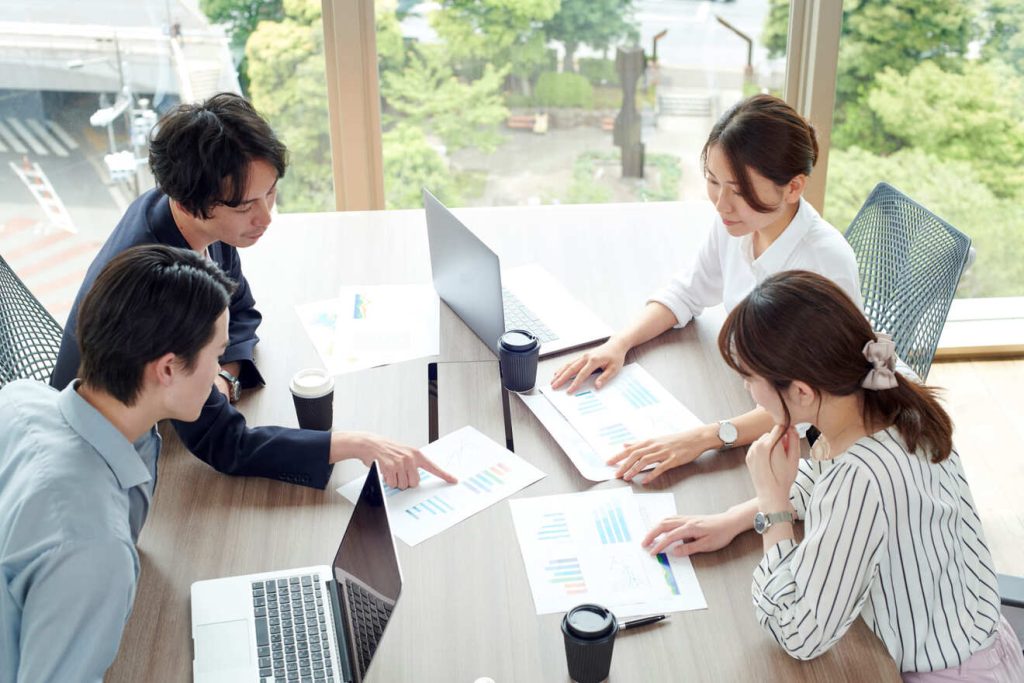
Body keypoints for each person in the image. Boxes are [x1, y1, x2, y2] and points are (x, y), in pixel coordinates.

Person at [51, 92, 453, 491]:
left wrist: (224, 373)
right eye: (246, 207)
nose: (265, 217)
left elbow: (240, 308)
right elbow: (225, 444)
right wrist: (358, 443)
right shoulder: (162, 284)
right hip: (107, 459)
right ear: (191, 203)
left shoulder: (196, 218)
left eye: (271, 193)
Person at [643, 270, 1024, 681]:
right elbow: (827, 484)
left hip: (945, 671)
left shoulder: (859, 477)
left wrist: (774, 508)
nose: (747, 390)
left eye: (749, 379)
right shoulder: (885, 384)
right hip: (981, 640)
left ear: (802, 393)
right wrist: (735, 519)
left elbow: (798, 632)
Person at [550, 94, 861, 485]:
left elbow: (811, 401)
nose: (721, 204)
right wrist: (619, 343)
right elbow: (688, 291)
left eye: (738, 190)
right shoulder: (740, 223)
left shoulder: (823, 263)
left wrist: (703, 438)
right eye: (713, 183)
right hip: (740, 385)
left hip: (803, 442)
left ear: (794, 187)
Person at [1, 245, 235, 681]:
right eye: (216, 355)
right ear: (167, 368)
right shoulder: (93, 547)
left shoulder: (20, 399)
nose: (220, 371)